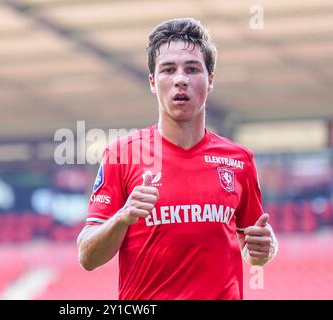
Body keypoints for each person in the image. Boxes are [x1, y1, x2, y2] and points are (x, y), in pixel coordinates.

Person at [77, 17, 278, 300]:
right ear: (152, 82)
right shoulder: (120, 155)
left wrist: (265, 250)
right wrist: (123, 217)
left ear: (210, 81)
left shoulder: (239, 159)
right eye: (168, 70)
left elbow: (255, 247)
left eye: (192, 69)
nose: (180, 79)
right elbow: (87, 256)